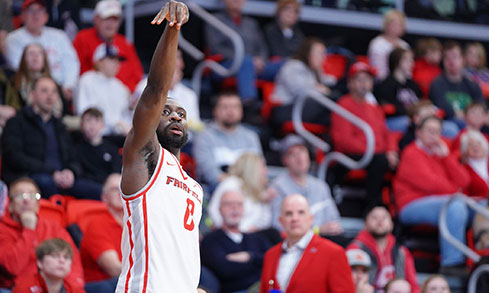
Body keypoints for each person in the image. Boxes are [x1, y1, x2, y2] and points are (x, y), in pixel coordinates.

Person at [116, 2, 204, 291]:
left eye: (182, 114)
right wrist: (173, 30)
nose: (177, 116)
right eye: (166, 112)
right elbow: (156, 90)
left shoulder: (194, 187)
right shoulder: (145, 158)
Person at [394, 115, 472, 274]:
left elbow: (464, 181)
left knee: (483, 206)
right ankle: (451, 263)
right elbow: (430, 185)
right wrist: (456, 192)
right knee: (455, 206)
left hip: (442, 200)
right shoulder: (411, 152)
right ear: (418, 133)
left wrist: (447, 158)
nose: (434, 135)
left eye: (437, 132)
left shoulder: (441, 153)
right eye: (429, 131)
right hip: (411, 204)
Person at [1, 76, 101, 199]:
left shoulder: (60, 126)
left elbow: (73, 157)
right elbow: (14, 157)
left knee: (97, 191)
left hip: (60, 178)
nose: (50, 96)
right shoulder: (16, 122)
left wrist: (71, 171)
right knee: (47, 184)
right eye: (44, 91)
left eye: (54, 92)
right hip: (30, 178)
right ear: (32, 95)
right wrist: (51, 172)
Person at [330, 61, 398, 209]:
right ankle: (372, 207)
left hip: (374, 154)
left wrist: (391, 151)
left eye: (367, 80)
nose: (364, 84)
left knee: (395, 162)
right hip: (349, 156)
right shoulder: (343, 105)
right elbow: (343, 141)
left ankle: (390, 210)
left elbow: (387, 133)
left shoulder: (374, 108)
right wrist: (375, 151)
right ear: (350, 83)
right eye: (359, 80)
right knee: (379, 161)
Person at [260, 194, 355, 293]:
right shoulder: (270, 255)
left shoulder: (333, 253)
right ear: (281, 221)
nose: (294, 218)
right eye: (289, 214)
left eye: (301, 213)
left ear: (311, 218)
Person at [0, 177, 83, 289]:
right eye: (20, 195)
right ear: (10, 205)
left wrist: (71, 288)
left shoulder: (53, 228)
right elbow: (12, 267)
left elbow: (73, 263)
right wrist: (29, 230)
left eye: (33, 196)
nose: (27, 200)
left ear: (39, 204)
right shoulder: (2, 229)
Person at [205, 0, 280, 102]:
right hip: (226, 65)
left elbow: (262, 47)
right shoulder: (215, 20)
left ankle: (284, 106)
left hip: (256, 65)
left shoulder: (251, 23)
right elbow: (215, 48)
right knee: (246, 62)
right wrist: (243, 59)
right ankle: (249, 103)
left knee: (285, 64)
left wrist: (260, 60)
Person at [5, 0, 79, 100]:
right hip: (30, 89)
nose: (36, 15)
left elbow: (71, 63)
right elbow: (19, 67)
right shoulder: (13, 39)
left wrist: (69, 85)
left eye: (40, 11)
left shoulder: (59, 36)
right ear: (22, 16)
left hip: (61, 89)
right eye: (30, 11)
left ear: (46, 16)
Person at [201, 189, 272, 292]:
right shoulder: (211, 240)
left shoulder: (257, 238)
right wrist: (259, 264)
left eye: (239, 204)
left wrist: (249, 257)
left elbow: (273, 260)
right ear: (220, 209)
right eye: (229, 204)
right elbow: (225, 271)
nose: (234, 208)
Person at [270, 134, 342, 236]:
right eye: (293, 154)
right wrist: (317, 230)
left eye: (302, 151)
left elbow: (334, 220)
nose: (299, 158)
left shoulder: (320, 186)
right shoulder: (277, 187)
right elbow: (279, 228)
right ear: (285, 160)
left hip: (323, 241)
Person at [193, 91, 263, 187]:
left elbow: (259, 168)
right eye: (225, 107)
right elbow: (209, 173)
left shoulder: (251, 136)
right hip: (214, 191)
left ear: (241, 111)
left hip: (247, 191)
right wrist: (236, 187)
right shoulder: (204, 136)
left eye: (235, 107)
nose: (230, 111)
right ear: (215, 111)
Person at [73, 0, 144, 92]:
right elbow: (74, 72)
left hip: (124, 98)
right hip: (93, 94)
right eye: (106, 18)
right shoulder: (82, 39)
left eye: (115, 19)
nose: (111, 23)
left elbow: (137, 75)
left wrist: (125, 93)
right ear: (96, 19)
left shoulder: (125, 43)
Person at [348, 205, 419, 293]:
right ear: (365, 224)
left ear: (392, 225)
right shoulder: (355, 249)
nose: (380, 221)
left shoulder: (402, 251)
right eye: (374, 217)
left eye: (384, 217)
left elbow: (413, 285)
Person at [270, 38, 336, 129]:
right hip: (285, 109)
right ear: (307, 53)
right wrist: (322, 90)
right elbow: (301, 92)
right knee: (330, 101)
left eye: (324, 54)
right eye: (320, 53)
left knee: (334, 108)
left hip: (302, 109)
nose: (323, 57)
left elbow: (330, 81)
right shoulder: (293, 66)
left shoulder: (314, 71)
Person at [207, 152, 275, 232]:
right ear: (252, 169)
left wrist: (265, 203)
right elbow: (213, 212)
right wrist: (235, 232)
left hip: (249, 238)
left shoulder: (255, 190)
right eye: (263, 167)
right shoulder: (231, 183)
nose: (266, 171)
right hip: (226, 237)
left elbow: (264, 223)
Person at [75, 43, 132, 136]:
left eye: (118, 60)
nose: (116, 63)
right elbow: (83, 112)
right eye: (111, 59)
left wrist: (131, 108)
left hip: (120, 136)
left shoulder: (120, 86)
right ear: (99, 61)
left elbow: (125, 117)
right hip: (96, 136)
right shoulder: (86, 80)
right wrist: (115, 124)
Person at [80, 173, 123, 284]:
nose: (121, 193)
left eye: (124, 188)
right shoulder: (97, 224)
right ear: (104, 197)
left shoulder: (137, 223)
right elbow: (114, 269)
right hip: (103, 285)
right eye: (114, 189)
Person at [429, 41, 483, 127]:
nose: (451, 61)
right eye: (447, 58)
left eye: (455, 57)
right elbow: (445, 110)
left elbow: (481, 107)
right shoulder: (437, 83)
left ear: (463, 60)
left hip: (473, 123)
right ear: (443, 61)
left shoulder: (472, 84)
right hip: (447, 123)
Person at [374, 48, 422, 132]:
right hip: (394, 121)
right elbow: (390, 108)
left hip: (415, 119)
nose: (412, 63)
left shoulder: (413, 84)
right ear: (397, 61)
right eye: (407, 60)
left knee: (449, 128)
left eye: (412, 60)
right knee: (411, 123)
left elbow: (421, 102)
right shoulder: (386, 85)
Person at [12, 43, 66, 117]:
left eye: (39, 53)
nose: (35, 56)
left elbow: (64, 113)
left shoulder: (54, 83)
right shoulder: (14, 82)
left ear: (44, 59)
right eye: (31, 53)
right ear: (23, 59)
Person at [12, 238, 84, 293]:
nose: (62, 261)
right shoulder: (25, 287)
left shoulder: (74, 289)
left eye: (66, 257)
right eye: (55, 256)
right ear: (40, 263)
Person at [74, 108, 122, 186]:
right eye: (88, 120)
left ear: (102, 125)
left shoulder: (111, 149)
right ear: (81, 125)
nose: (92, 124)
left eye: (96, 120)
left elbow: (116, 172)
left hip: (110, 187)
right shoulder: (77, 149)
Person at [368, 9, 409, 81]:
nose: (396, 27)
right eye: (393, 23)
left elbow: (408, 72)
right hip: (383, 84)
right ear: (386, 25)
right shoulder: (377, 44)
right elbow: (379, 73)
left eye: (400, 24)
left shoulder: (405, 45)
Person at [460, 130, 489, 198]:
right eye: (470, 145)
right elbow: (464, 196)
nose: (475, 147)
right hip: (479, 204)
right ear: (465, 150)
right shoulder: (463, 169)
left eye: (479, 143)